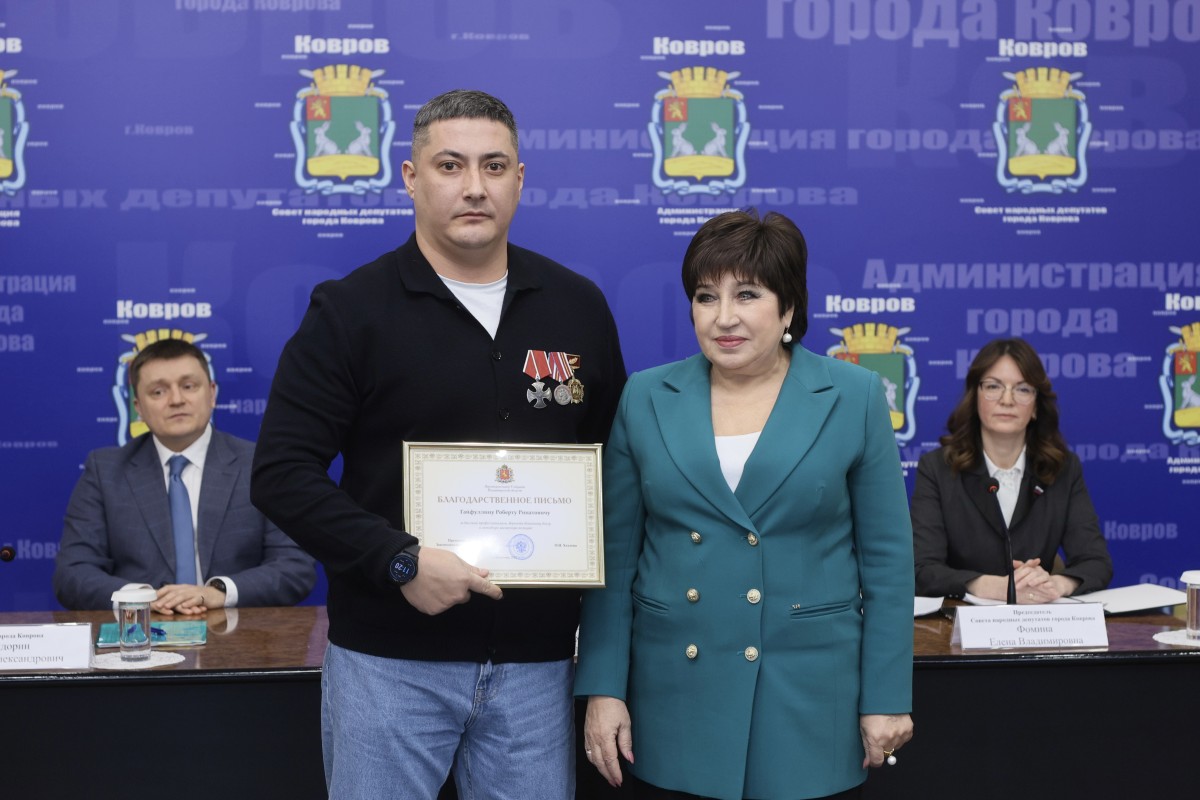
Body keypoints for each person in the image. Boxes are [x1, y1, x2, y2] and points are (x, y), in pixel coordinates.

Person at [250, 89, 626, 800]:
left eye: (494, 166)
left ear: (520, 178)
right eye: (450, 165)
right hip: (389, 666)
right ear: (411, 177)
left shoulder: (577, 306)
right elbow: (281, 474)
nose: (474, 186)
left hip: (540, 669)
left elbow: (615, 477)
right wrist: (399, 559)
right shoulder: (351, 311)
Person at [575, 209, 914, 800]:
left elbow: (887, 562)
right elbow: (615, 559)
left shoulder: (854, 395)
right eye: (706, 297)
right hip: (676, 690)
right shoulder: (646, 396)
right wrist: (604, 688)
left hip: (808, 692)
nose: (724, 317)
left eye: (748, 294)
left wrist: (886, 696)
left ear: (788, 309)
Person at [54, 337, 316, 612]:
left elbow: (295, 567)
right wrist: (143, 598)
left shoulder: (259, 465)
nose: (177, 400)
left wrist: (218, 593)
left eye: (188, 386)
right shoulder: (105, 470)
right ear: (138, 407)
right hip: (143, 631)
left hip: (238, 630)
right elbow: (72, 574)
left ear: (212, 393)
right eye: (158, 392)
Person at [911, 338, 1112, 601]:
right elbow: (922, 569)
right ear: (975, 397)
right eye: (993, 386)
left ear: (1036, 405)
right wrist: (991, 586)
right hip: (960, 620)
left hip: (1037, 617)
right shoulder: (937, 469)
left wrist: (1056, 584)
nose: (1007, 400)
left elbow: (1096, 562)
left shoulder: (1062, 468)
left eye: (1022, 389)